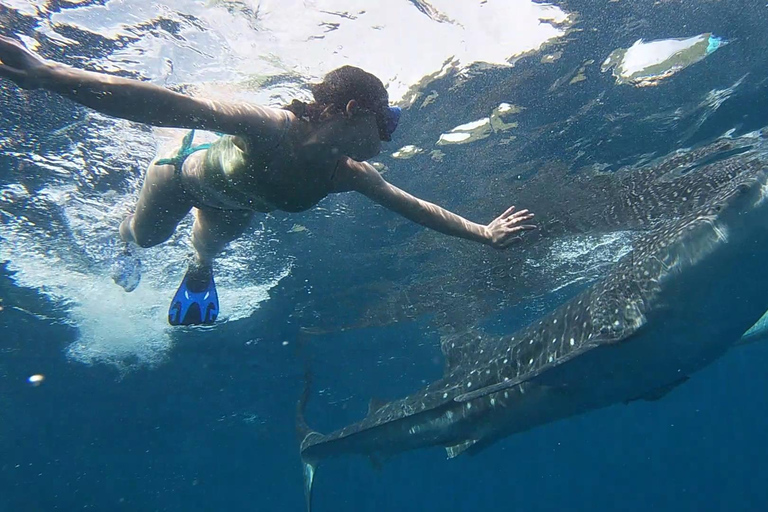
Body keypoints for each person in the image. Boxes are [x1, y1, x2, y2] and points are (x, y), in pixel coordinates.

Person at [0, 35, 536, 326]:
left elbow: (414, 207)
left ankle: (199, 269)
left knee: (207, 248)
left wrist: (483, 232)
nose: (391, 133)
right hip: (181, 176)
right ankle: (125, 239)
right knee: (146, 236)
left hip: (235, 205)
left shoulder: (350, 174)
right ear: (353, 110)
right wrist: (50, 75)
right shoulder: (272, 127)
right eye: (387, 119)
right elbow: (170, 105)